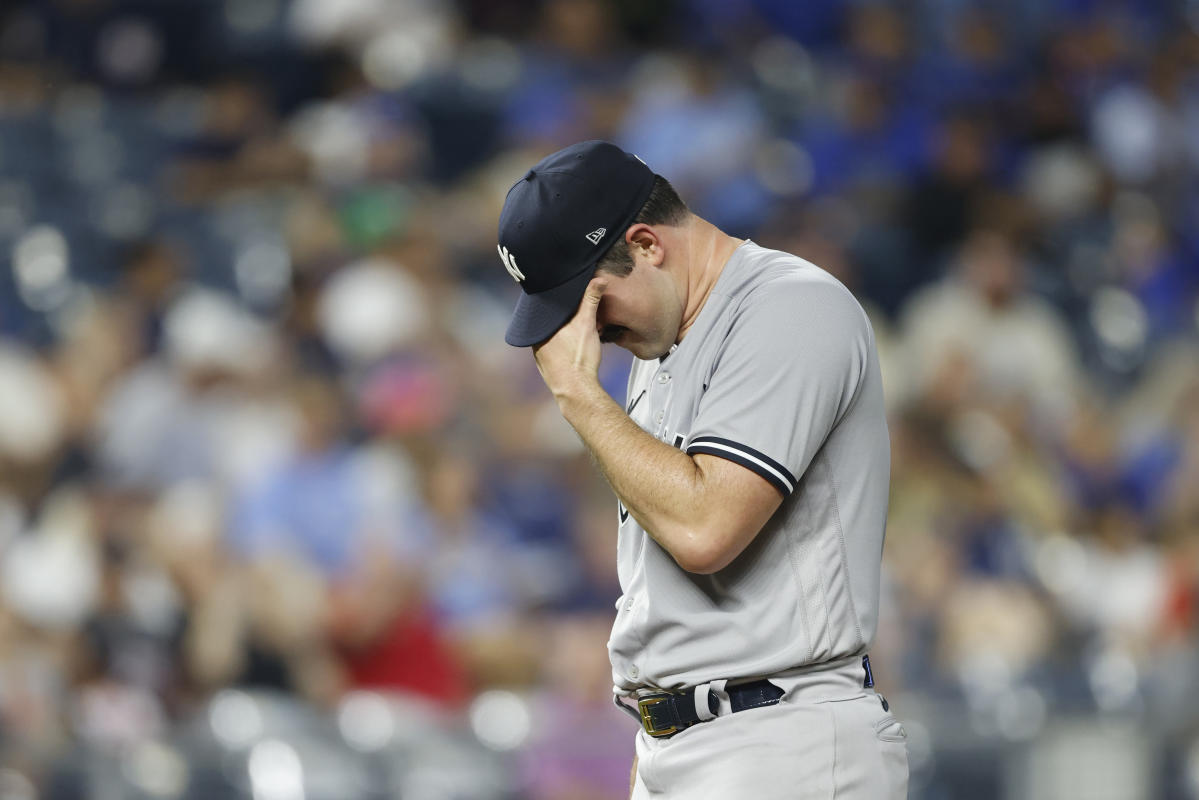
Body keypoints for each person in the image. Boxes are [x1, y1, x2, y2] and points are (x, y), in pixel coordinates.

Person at [498, 140, 908, 799]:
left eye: (591, 304)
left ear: (646, 245)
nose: (588, 333)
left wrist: (578, 395)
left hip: (780, 740)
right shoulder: (660, 340)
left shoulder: (788, 308)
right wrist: (655, 733)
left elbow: (705, 529)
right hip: (691, 742)